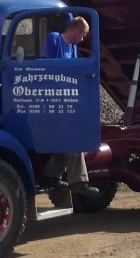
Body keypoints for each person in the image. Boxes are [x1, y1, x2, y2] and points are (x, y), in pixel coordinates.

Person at [41, 17, 99, 197]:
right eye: (83, 35)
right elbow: (47, 67)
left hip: (68, 97)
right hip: (52, 98)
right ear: (76, 31)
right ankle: (79, 182)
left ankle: (50, 175)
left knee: (65, 138)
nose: (82, 39)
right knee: (73, 137)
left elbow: (74, 72)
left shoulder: (72, 48)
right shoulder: (54, 39)